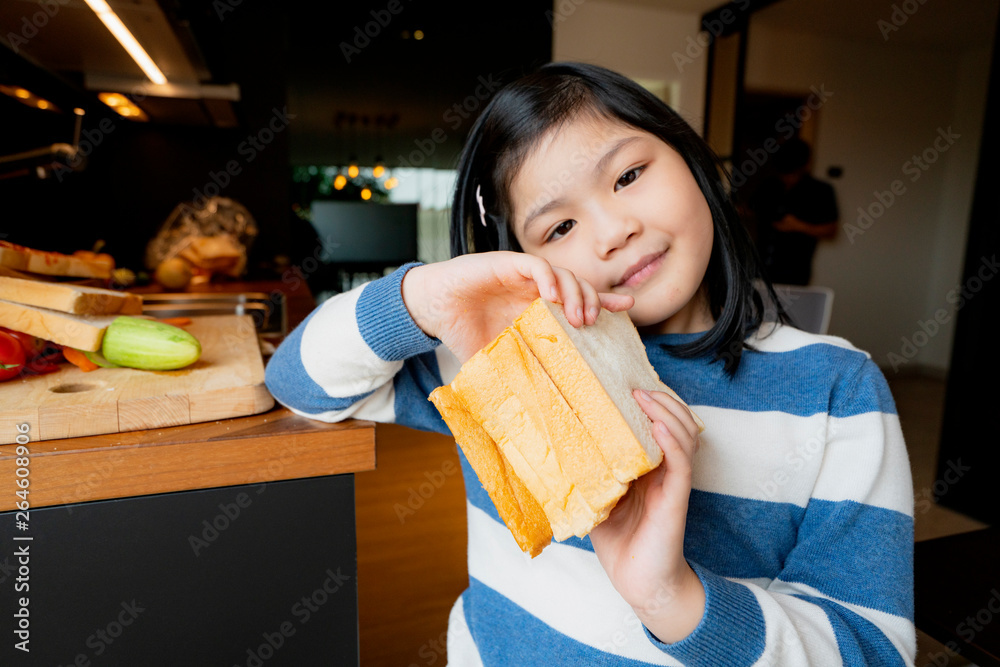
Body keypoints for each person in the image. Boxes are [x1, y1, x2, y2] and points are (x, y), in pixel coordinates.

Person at [264, 63, 914, 665]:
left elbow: (875, 650)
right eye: (558, 228)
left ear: (691, 157)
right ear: (521, 255)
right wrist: (418, 298)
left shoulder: (834, 388)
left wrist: (675, 598)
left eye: (629, 175)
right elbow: (296, 382)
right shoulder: (495, 362)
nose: (611, 231)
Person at [752, 137, 839, 286]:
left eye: (792, 173)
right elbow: (750, 210)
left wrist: (798, 226)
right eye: (784, 173)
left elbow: (831, 230)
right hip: (758, 265)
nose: (788, 179)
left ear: (805, 166)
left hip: (795, 271)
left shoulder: (820, 191)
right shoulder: (769, 185)